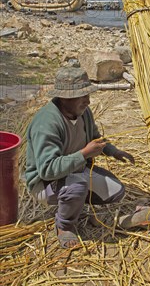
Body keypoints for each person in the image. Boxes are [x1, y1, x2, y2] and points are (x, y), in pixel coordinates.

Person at [25, 66, 135, 248]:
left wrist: (113, 151)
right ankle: (65, 225)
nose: (88, 101)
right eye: (82, 96)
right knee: (77, 186)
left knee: (116, 191)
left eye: (88, 95)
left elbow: (94, 136)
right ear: (65, 98)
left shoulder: (83, 112)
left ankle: (72, 205)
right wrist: (84, 154)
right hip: (44, 184)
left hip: (74, 172)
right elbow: (46, 170)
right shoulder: (47, 123)